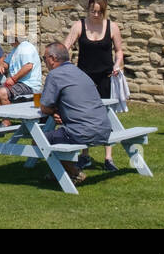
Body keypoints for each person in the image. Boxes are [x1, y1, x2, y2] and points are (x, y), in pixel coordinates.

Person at [64, 0, 125, 170]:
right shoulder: (79, 25)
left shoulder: (112, 27)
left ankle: (108, 158)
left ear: (104, 11)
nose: (95, 15)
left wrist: (117, 64)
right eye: (92, 11)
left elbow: (119, 51)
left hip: (106, 76)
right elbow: (65, 48)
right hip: (84, 78)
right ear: (88, 9)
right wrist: (66, 66)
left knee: (107, 115)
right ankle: (85, 155)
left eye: (99, 12)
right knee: (83, 115)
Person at [39, 42, 114, 186]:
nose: (45, 62)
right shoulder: (80, 72)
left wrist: (54, 111)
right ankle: (59, 173)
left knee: (39, 139)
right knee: (56, 137)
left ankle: (74, 172)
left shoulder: (55, 75)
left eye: (44, 58)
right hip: (104, 129)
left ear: (53, 58)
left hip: (83, 132)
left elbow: (44, 107)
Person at [0, 27, 42, 111]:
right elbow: (6, 63)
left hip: (29, 85)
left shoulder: (26, 48)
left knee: (3, 92)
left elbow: (28, 66)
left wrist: (13, 79)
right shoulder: (15, 49)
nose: (7, 40)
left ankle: (6, 121)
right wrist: (1, 65)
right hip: (19, 83)